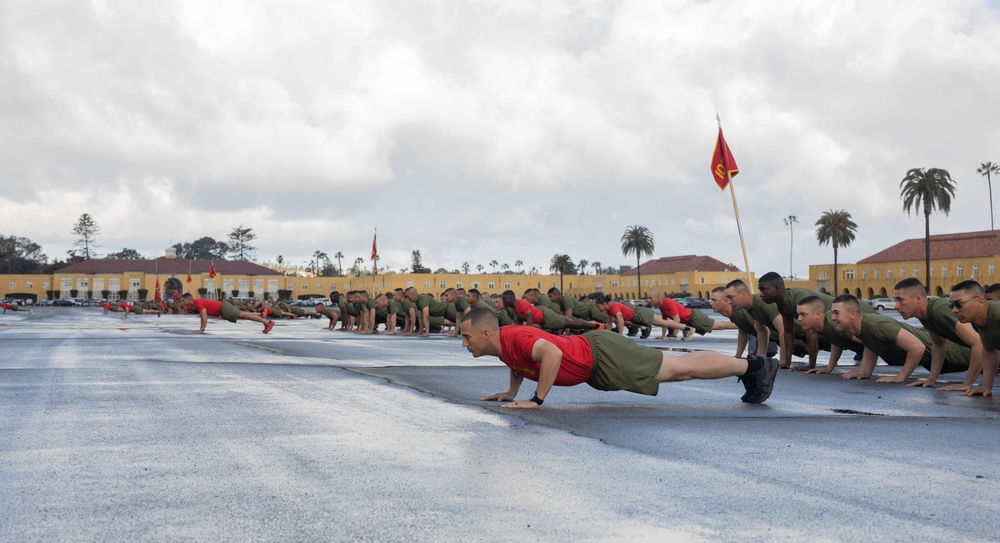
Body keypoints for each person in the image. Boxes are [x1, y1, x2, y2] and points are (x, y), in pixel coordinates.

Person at [459, 308, 779, 406]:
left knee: (680, 370)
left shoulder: (516, 336)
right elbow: (520, 365)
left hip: (604, 355)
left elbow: (552, 354)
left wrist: (536, 399)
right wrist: (511, 392)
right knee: (678, 370)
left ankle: (757, 365)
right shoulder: (503, 346)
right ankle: (754, 366)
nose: (464, 343)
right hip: (598, 364)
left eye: (466, 336)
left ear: (486, 333)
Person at [829, 295, 968, 382]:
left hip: (957, 354)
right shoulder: (862, 327)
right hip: (940, 360)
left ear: (853, 313)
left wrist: (901, 376)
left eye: (836, 313)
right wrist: (865, 372)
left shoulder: (876, 324)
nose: (832, 318)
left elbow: (917, 347)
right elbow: (871, 343)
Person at [756, 272, 874, 369]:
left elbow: (811, 331)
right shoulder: (781, 305)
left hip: (863, 315)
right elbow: (788, 333)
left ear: (777, 288)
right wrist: (786, 362)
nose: (761, 294)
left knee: (880, 345)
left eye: (764, 290)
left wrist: (811, 365)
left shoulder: (799, 297)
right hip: (840, 325)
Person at [892, 278, 983, 391]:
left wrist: (967, 384)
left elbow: (978, 343)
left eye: (900, 300)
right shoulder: (925, 316)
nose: (896, 306)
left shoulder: (939, 309)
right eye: (895, 300)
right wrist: (931, 379)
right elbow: (939, 345)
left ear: (918, 299)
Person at [949, 280, 1000, 396]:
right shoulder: (978, 321)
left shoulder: (997, 313)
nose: (954, 310)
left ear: (980, 302)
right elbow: (989, 350)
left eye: (959, 304)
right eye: (951, 305)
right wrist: (986, 387)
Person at [795, 296, 867, 374]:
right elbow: (836, 341)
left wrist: (862, 371)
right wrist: (829, 368)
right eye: (799, 314)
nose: (799, 318)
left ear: (818, 314)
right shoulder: (825, 326)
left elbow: (869, 342)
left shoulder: (834, 324)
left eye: (803, 314)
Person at [709, 286, 776, 358]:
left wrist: (760, 358)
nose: (710, 303)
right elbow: (742, 333)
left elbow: (764, 331)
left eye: (714, 300)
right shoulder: (733, 314)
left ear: (725, 301)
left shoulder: (741, 310)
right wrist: (737, 356)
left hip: (781, 338)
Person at [649, 290, 736, 341]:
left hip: (694, 317)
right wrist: (663, 336)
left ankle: (742, 326)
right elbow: (665, 322)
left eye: (651, 298)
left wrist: (674, 336)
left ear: (657, 297)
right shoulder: (661, 306)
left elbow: (677, 320)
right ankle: (742, 326)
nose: (649, 300)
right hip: (689, 321)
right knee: (719, 326)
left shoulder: (668, 302)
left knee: (720, 326)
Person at [501, 290, 603, 333]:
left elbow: (529, 319)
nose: (503, 301)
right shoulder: (515, 307)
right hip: (542, 317)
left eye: (504, 299)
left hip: (546, 317)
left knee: (570, 323)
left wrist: (527, 332)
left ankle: (594, 325)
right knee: (569, 323)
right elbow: (519, 322)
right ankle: (592, 325)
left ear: (510, 298)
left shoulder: (521, 304)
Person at [596, 296, 690, 339]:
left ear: (604, 304)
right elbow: (609, 324)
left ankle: (685, 328)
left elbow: (621, 321)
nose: (597, 308)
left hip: (641, 314)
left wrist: (620, 336)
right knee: (662, 323)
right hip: (637, 318)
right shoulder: (608, 310)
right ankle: (685, 328)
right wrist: (606, 336)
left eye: (598, 306)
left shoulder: (613, 306)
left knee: (663, 323)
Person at [181, 293, 274, 334]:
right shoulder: (196, 303)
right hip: (222, 308)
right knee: (244, 315)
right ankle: (265, 322)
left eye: (183, 300)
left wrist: (201, 330)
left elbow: (204, 316)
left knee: (244, 315)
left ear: (188, 299)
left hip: (223, 307)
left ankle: (267, 322)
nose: (182, 302)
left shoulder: (197, 302)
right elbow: (202, 316)